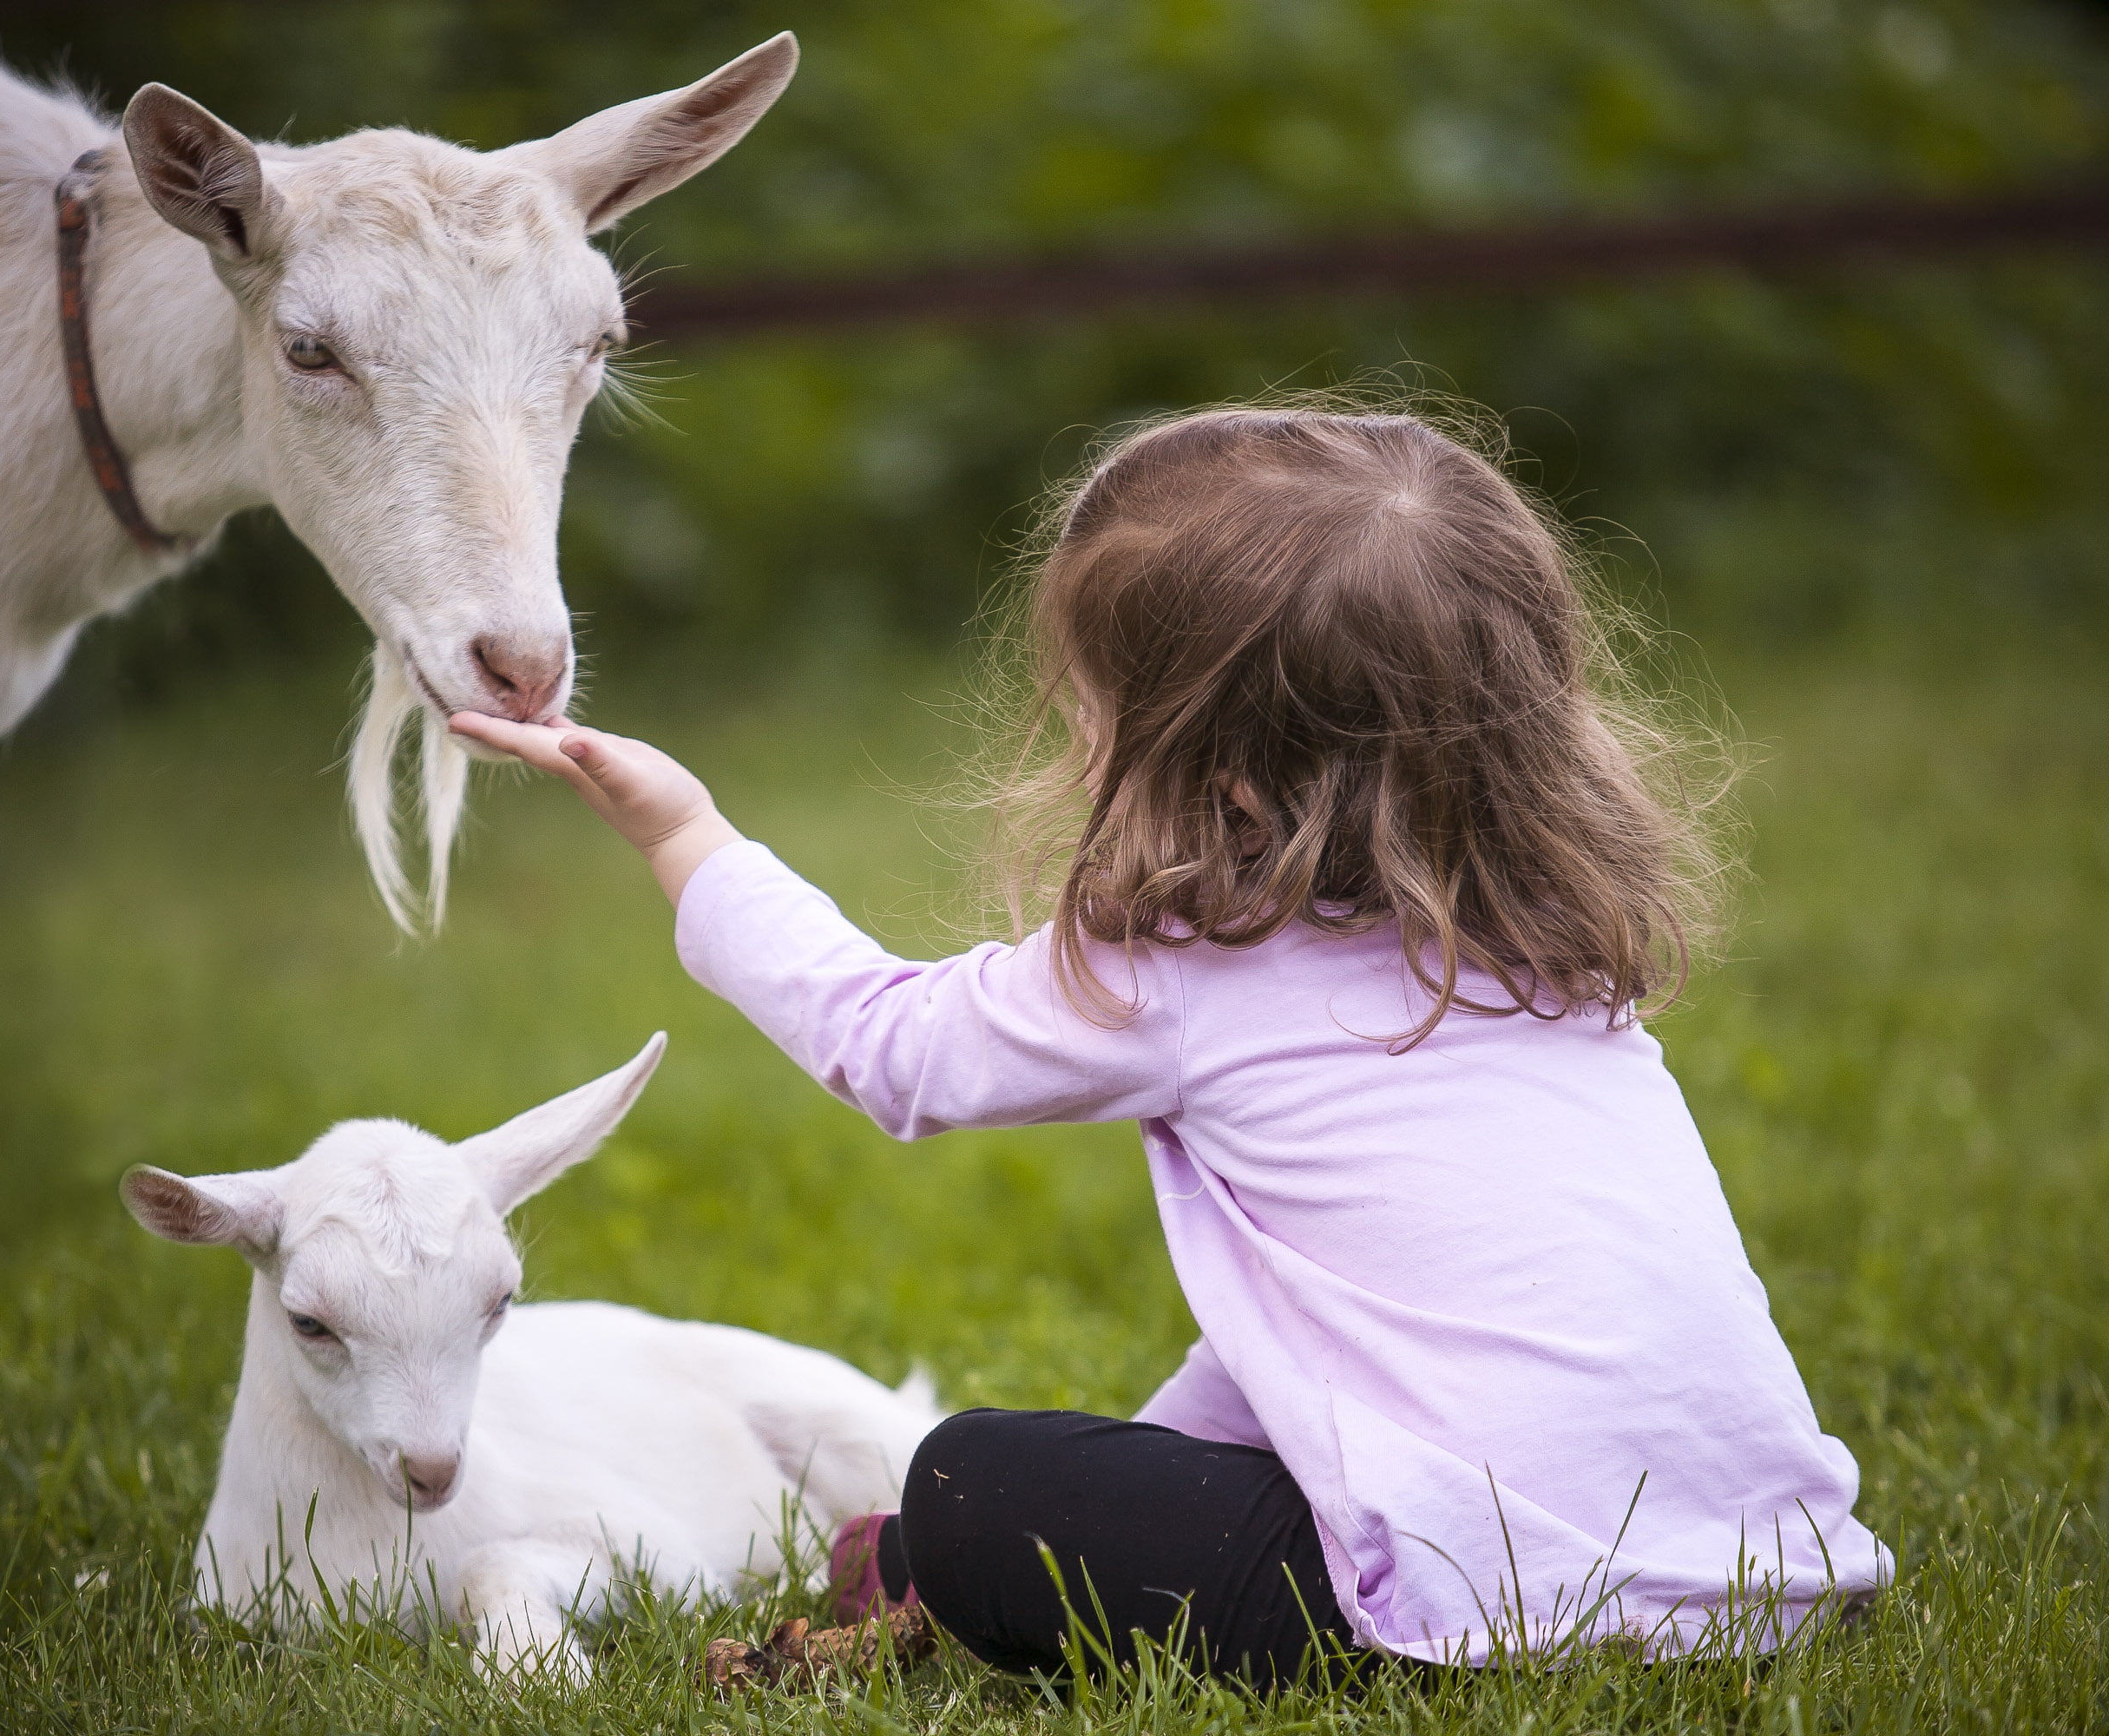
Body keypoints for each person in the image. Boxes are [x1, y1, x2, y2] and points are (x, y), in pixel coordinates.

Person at [450, 405, 1888, 1688]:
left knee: (967, 1484)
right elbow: (1321, 1339)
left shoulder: (1189, 974)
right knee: (1041, 1485)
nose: (1073, 736)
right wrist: (1142, 1465)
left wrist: (684, 834)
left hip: (1488, 1605)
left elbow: (887, 1045)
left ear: (1227, 777)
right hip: (1766, 1575)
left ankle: (944, 1570)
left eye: (1091, 709)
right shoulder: (1559, 967)